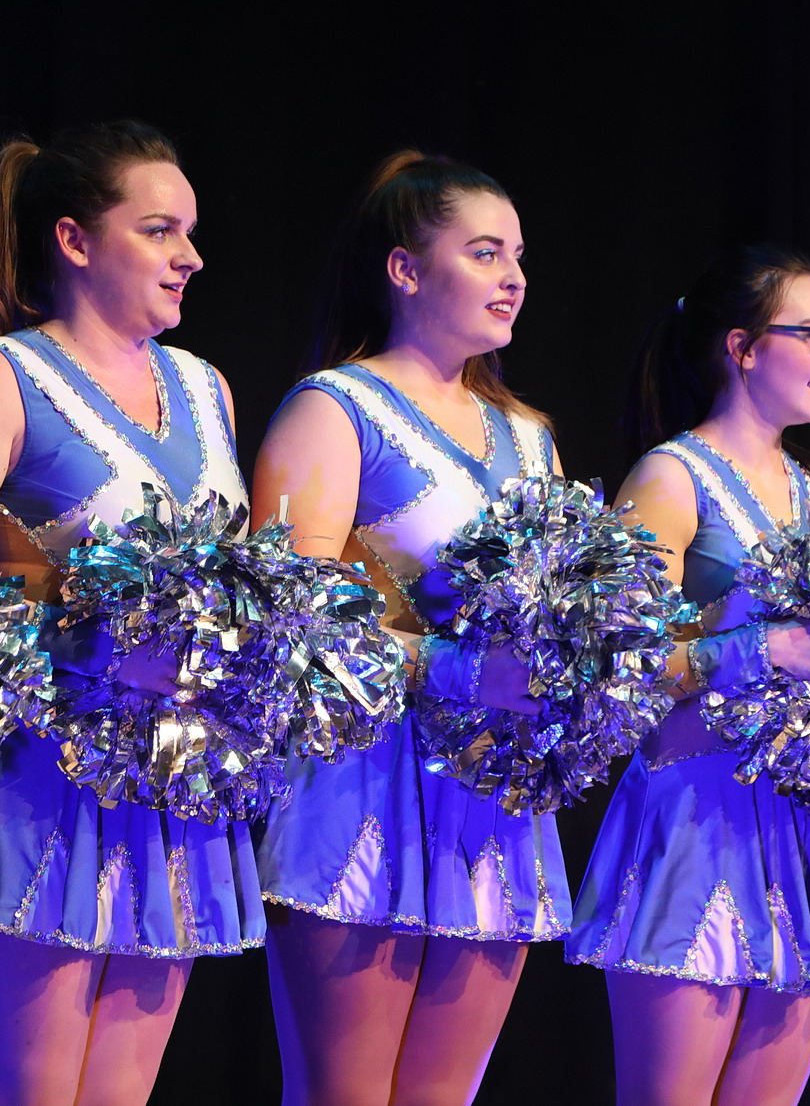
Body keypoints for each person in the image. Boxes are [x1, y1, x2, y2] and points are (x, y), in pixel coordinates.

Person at [0, 121, 262, 1106]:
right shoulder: (5, 376)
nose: (190, 256)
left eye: (189, 232)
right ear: (75, 241)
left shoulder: (206, 389)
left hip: (172, 785)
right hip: (42, 779)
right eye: (159, 230)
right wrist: (90, 641)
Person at [253, 151, 568, 1106]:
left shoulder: (530, 436)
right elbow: (290, 621)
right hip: (362, 781)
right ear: (404, 268)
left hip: (493, 794)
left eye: (518, 255)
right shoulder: (336, 407)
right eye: (484, 252)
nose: (513, 277)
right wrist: (457, 668)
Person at [564, 246, 810, 1106]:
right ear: (742, 347)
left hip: (804, 829)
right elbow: (617, 664)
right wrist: (758, 649)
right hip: (694, 815)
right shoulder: (672, 477)